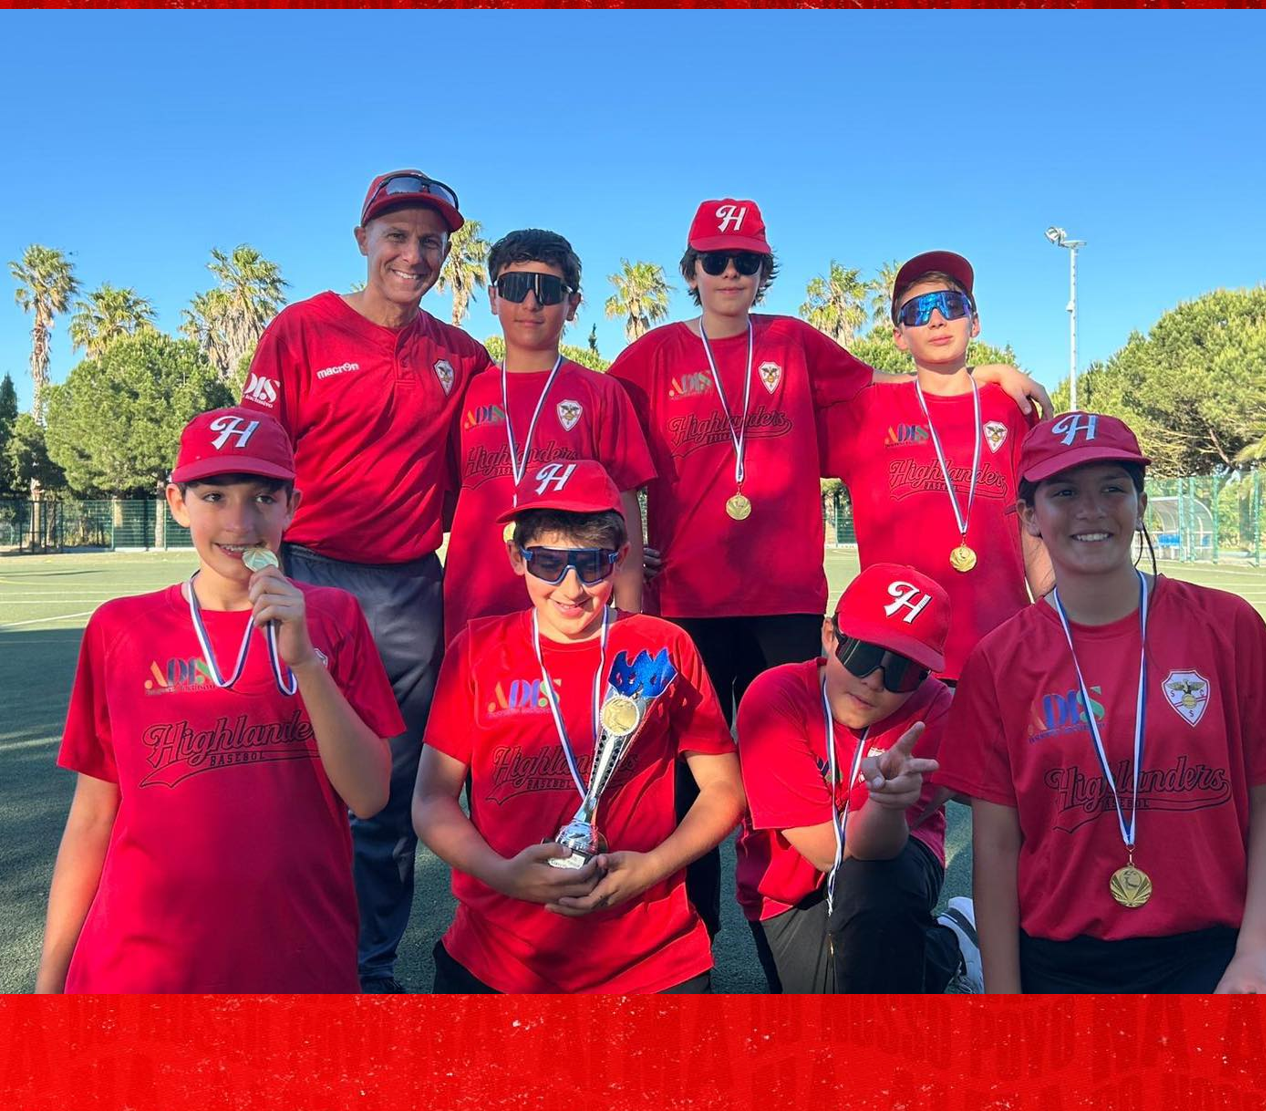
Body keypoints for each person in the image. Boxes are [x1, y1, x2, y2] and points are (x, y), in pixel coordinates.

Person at [607, 199, 1050, 935]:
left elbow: (899, 385)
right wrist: (625, 547)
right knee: (689, 778)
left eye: (746, 260)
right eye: (714, 260)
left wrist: (988, 373)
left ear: (762, 270)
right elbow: (605, 436)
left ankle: (820, 921)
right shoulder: (650, 355)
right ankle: (684, 941)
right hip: (684, 603)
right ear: (690, 270)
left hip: (786, 604)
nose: (729, 273)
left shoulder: (795, 342)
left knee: (819, 768)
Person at [935, 413, 1266, 993]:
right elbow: (996, 843)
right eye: (1064, 492)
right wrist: (1006, 1002)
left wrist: (1259, 951)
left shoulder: (1227, 626)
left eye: (1113, 487)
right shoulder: (999, 659)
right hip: (1059, 958)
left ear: (1138, 503)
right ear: (1032, 517)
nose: (1091, 508)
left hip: (1211, 954)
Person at [36, 408, 402, 993]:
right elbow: (93, 816)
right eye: (213, 496)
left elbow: (370, 793)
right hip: (143, 964)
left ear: (293, 506)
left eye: (262, 498)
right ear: (177, 503)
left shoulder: (334, 616)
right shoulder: (120, 628)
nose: (239, 521)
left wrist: (307, 663)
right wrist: (49, 983)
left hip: (302, 956)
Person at [241, 169, 491, 992]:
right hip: (307, 576)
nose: (411, 255)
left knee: (384, 797)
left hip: (413, 588)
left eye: (429, 241)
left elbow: (491, 472)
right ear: (362, 241)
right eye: (396, 236)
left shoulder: (462, 355)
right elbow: (256, 465)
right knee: (284, 780)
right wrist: (260, 573)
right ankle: (279, 959)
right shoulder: (300, 330)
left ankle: (369, 968)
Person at [412, 460, 745, 993]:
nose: (571, 589)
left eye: (592, 566)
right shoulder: (476, 649)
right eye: (548, 563)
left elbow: (725, 788)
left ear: (620, 560)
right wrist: (502, 876)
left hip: (650, 958)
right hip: (495, 956)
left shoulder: (665, 645)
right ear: (516, 558)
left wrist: (652, 867)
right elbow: (431, 800)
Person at [735, 562, 981, 993]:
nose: (873, 681)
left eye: (903, 670)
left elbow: (875, 850)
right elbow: (828, 852)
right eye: (862, 654)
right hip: (790, 882)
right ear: (830, 637)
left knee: (876, 891)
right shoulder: (775, 697)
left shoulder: (932, 708)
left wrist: (888, 807)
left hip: (891, 861)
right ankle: (953, 943)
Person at [819, 250, 1053, 683]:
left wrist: (1051, 605)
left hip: (1002, 642)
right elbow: (767, 442)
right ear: (899, 336)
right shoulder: (865, 410)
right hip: (895, 650)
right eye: (917, 312)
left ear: (975, 322)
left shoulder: (1010, 408)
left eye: (951, 305)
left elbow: (1032, 523)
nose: (936, 320)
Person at [442, 228, 654, 643]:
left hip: (572, 604)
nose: (530, 303)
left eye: (549, 290)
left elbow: (624, 506)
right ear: (492, 297)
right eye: (516, 287)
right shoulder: (465, 390)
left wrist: (628, 610)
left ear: (572, 304)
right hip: (474, 603)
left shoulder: (601, 392)